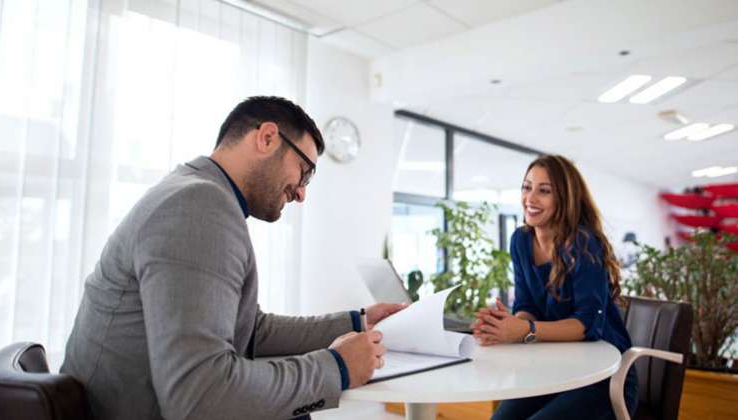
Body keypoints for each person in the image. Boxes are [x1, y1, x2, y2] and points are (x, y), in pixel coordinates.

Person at [61, 96, 406, 420]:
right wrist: (337, 367)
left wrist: (357, 322)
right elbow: (198, 395)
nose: (301, 193)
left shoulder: (193, 192)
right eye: (305, 172)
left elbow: (250, 329)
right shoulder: (198, 206)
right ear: (268, 138)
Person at [472, 155, 638, 420]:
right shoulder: (521, 240)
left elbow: (588, 325)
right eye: (527, 187)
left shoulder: (583, 244)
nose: (531, 198)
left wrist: (525, 330)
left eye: (544, 191)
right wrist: (507, 326)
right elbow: (527, 306)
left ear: (565, 198)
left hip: (604, 375)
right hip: (555, 368)